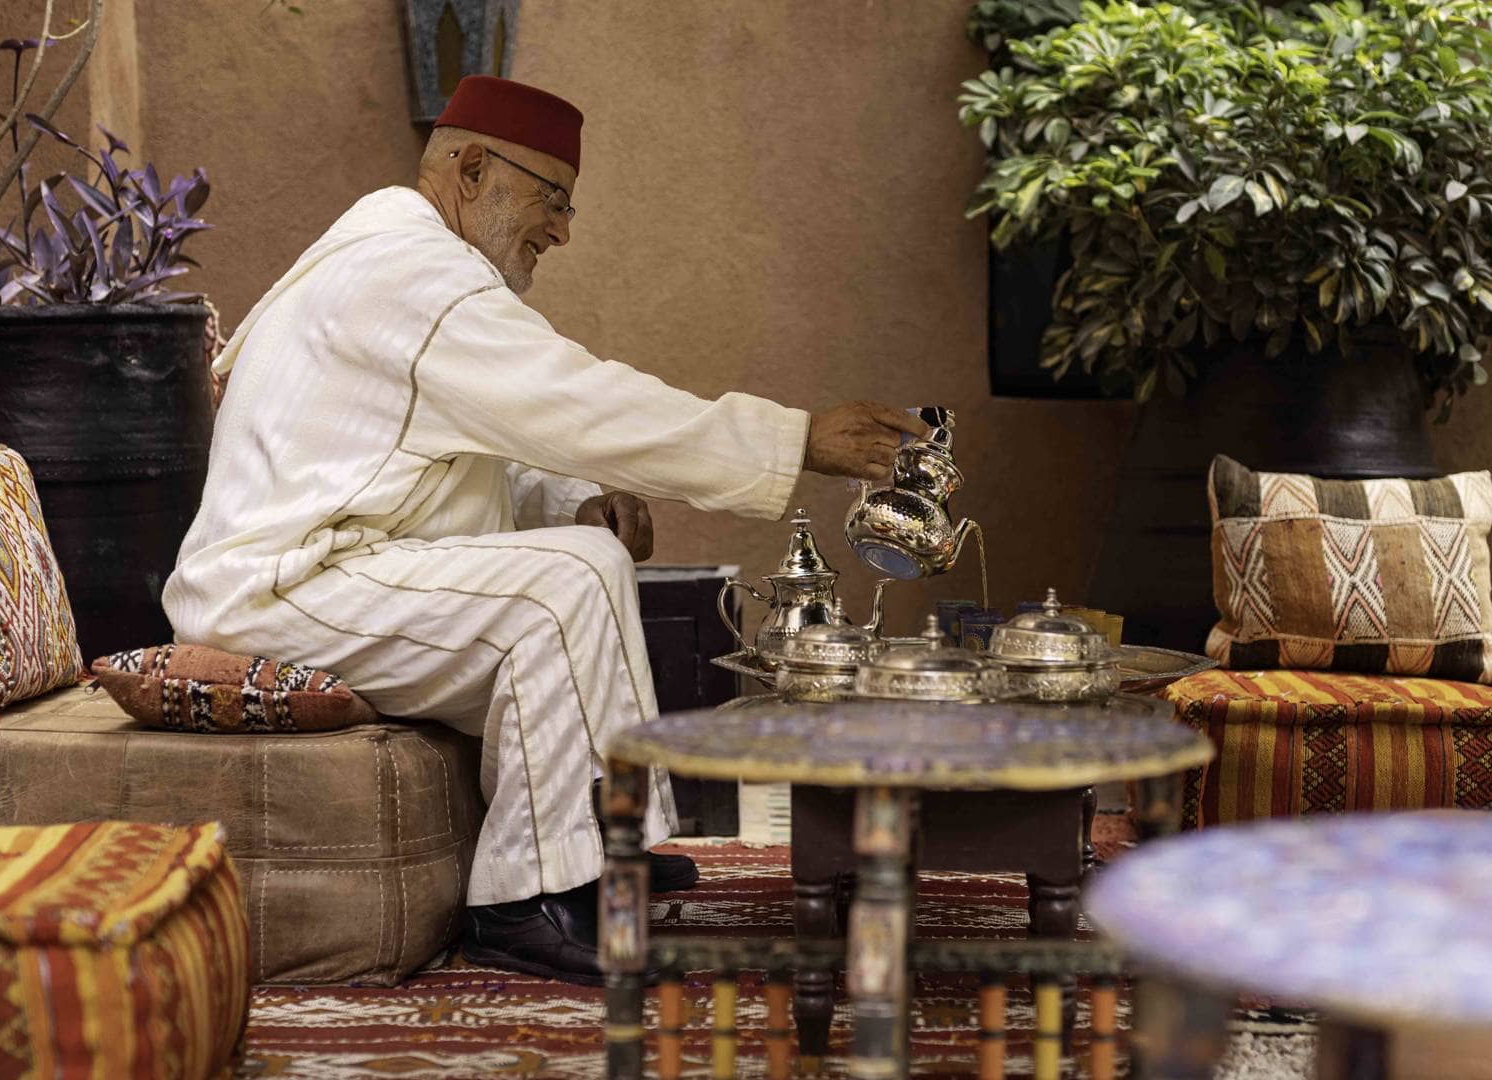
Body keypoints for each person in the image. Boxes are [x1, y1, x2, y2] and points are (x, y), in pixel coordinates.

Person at [163, 75, 926, 985]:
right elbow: (580, 401)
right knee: (557, 587)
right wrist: (795, 439)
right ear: (475, 168)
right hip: (277, 592)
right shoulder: (413, 279)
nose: (562, 229)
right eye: (552, 199)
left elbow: (443, 453)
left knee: (585, 553)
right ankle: (522, 905)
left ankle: (607, 856)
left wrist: (572, 502)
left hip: (333, 569)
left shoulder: (398, 259)